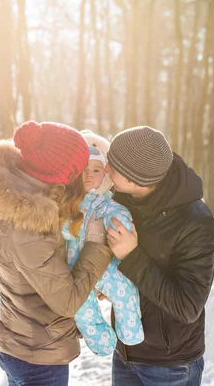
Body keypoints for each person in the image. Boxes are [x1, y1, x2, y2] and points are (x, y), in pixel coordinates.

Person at [0, 121, 113, 386]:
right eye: (79, 169)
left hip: (17, 341)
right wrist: (98, 244)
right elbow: (67, 301)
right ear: (64, 175)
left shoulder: (10, 193)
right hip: (37, 359)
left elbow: (39, 275)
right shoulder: (30, 226)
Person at [103, 126, 214, 386]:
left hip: (169, 364)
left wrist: (132, 256)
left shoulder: (196, 222)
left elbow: (187, 307)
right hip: (125, 350)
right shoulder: (122, 200)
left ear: (136, 179)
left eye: (114, 166)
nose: (106, 170)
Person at [61, 130, 144, 357]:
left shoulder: (108, 203)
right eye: (83, 171)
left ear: (105, 176)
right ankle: (101, 340)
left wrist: (120, 224)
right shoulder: (69, 204)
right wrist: (71, 227)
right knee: (81, 306)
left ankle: (130, 331)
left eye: (96, 170)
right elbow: (62, 226)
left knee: (124, 289)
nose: (88, 176)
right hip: (76, 266)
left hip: (106, 265)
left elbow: (118, 216)